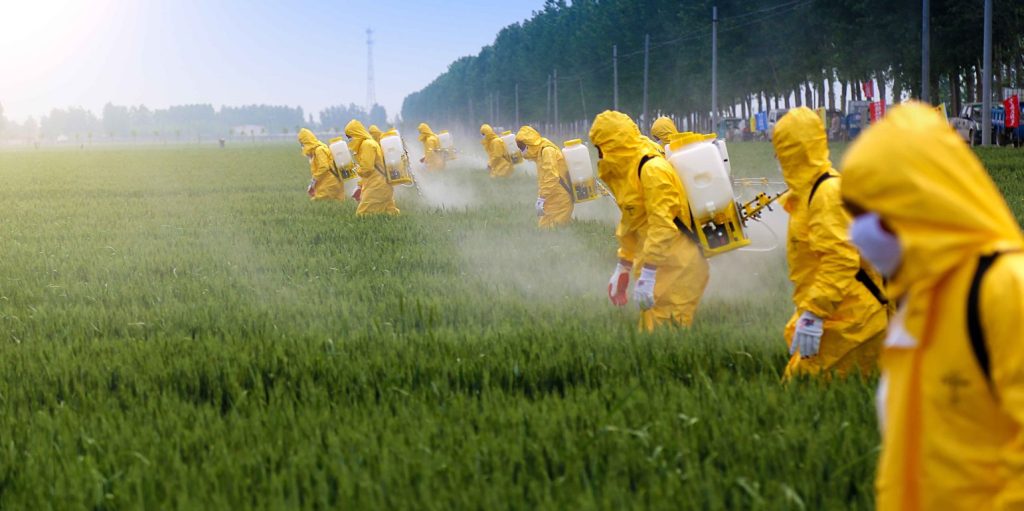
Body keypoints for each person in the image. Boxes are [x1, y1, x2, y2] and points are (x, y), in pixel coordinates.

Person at [842, 103, 1024, 511]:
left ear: (918, 202)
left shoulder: (1006, 289)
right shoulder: (919, 303)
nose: (858, 233)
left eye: (870, 213)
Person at [772, 106, 888, 378]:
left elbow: (840, 260)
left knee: (803, 392)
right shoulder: (808, 193)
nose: (777, 157)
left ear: (795, 151)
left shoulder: (826, 194)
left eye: (781, 148)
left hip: (853, 322)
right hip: (838, 314)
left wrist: (814, 313)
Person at [589, 111, 709, 331]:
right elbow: (632, 221)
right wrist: (623, 265)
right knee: (651, 335)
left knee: (665, 342)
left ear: (612, 145)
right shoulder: (630, 172)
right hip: (661, 266)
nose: (598, 155)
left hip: (678, 269)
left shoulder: (652, 169)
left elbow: (663, 225)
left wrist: (649, 272)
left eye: (599, 147)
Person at [515, 126, 573, 228]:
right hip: (552, 198)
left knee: (554, 231)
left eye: (522, 147)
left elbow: (552, 177)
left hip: (561, 199)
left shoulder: (547, 151)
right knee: (544, 230)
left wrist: (542, 198)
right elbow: (544, 180)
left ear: (530, 143)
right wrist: (542, 197)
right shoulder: (539, 154)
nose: (521, 151)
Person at [345, 120, 398, 216]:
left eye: (350, 137)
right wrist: (359, 186)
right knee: (389, 212)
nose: (349, 140)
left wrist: (356, 169)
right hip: (381, 184)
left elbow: (367, 169)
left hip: (377, 186)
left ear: (356, 133)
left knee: (363, 215)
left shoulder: (367, 145)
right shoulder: (366, 144)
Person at [297, 128, 345, 202]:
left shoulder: (319, 150)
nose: (302, 146)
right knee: (335, 204)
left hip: (330, 182)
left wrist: (314, 181)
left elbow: (324, 167)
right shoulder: (316, 151)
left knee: (318, 202)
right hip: (329, 182)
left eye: (302, 143)